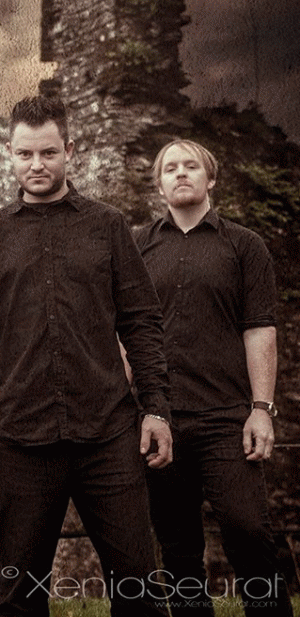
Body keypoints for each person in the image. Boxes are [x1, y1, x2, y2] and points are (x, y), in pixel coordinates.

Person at [0, 95, 173, 617]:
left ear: (69, 151)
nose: (36, 165)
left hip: (108, 435)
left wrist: (157, 408)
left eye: (48, 153)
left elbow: (142, 323)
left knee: (140, 592)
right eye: (24, 154)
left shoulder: (108, 225)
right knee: (18, 600)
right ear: (10, 153)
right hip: (22, 441)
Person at [133, 139, 293, 615]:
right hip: (159, 418)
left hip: (227, 417)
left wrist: (261, 409)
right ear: (159, 184)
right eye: (170, 168)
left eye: (191, 166)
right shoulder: (137, 245)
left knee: (249, 530)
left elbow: (259, 329)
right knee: (177, 546)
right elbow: (125, 333)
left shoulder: (244, 245)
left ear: (211, 178)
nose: (181, 174)